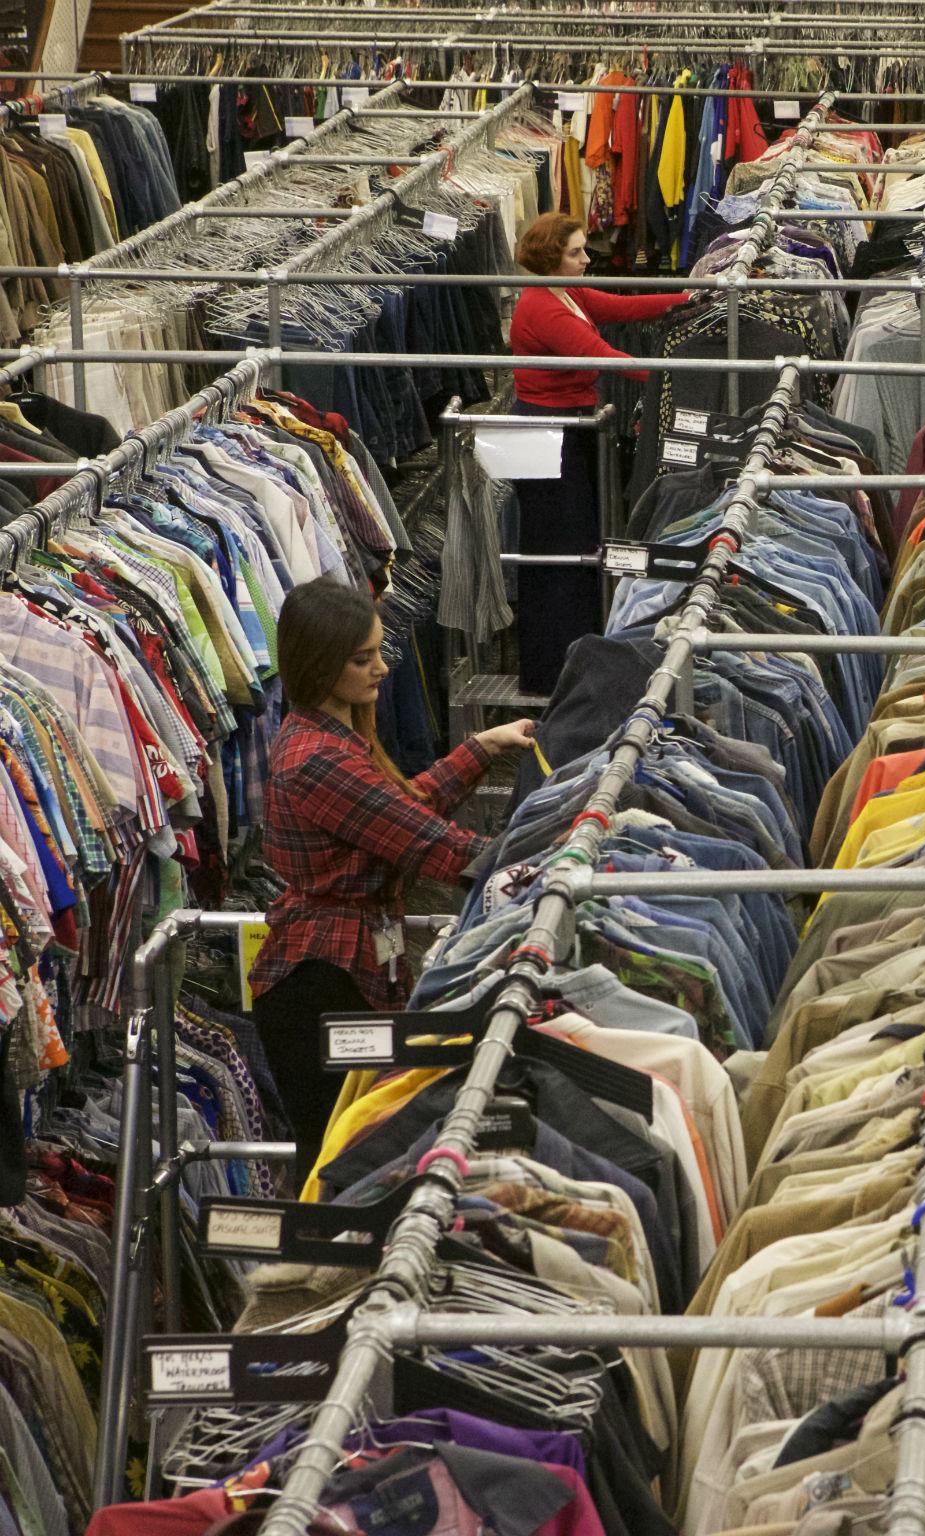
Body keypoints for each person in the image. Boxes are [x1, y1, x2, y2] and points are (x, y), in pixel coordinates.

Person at [249, 580, 535, 1183]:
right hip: (320, 984)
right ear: (320, 664)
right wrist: (546, 861)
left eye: (379, 651)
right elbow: (429, 843)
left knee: (357, 1150)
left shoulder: (336, 736)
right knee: (342, 1160)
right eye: (363, 659)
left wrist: (483, 747)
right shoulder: (318, 759)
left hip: (342, 970)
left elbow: (399, 808)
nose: (383, 668)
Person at [507, 211, 700, 693]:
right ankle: (554, 671)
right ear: (552, 260)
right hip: (547, 433)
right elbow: (600, 355)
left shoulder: (565, 293)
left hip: (568, 428)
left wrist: (693, 296)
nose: (586, 258)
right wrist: (674, 376)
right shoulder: (543, 307)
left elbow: (620, 307)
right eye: (575, 253)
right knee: (558, 551)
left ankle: (570, 660)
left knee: (575, 545)